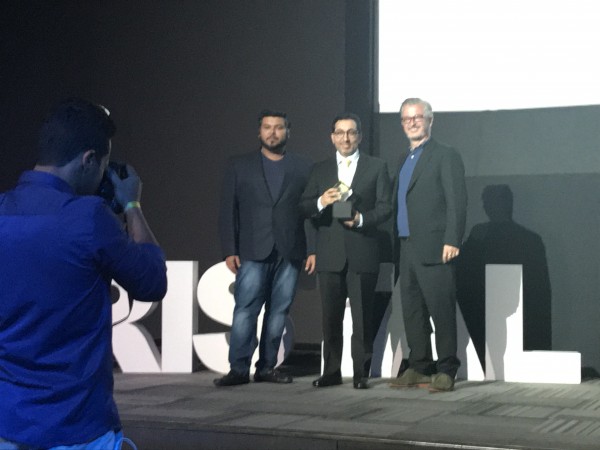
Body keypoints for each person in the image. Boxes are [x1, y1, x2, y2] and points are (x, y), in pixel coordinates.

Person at [0, 98, 168, 448]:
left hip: (9, 424)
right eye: (104, 164)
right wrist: (132, 205)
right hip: (78, 427)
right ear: (89, 159)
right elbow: (152, 282)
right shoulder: (89, 217)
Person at [214, 109, 315, 387]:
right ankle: (238, 369)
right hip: (251, 249)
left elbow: (309, 211)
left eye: (279, 127)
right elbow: (228, 210)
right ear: (259, 132)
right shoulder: (239, 165)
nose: (273, 132)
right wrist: (229, 249)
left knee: (279, 311)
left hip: (289, 249)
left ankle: (267, 367)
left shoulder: (303, 166)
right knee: (245, 310)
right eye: (267, 127)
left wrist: (312, 249)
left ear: (288, 132)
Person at [301, 113, 391, 389]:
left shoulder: (377, 167)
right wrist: (320, 201)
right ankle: (331, 371)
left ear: (360, 136)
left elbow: (386, 206)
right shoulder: (320, 169)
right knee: (330, 318)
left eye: (351, 132)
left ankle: (361, 373)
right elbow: (304, 207)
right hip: (329, 254)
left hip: (363, 252)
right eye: (340, 133)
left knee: (362, 318)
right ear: (332, 137)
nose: (346, 138)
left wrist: (362, 219)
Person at [389, 98, 467, 392]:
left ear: (430, 121)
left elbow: (457, 200)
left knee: (441, 310)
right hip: (406, 245)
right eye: (406, 118)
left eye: (417, 117)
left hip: (436, 246)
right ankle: (420, 366)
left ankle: (446, 368)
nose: (412, 122)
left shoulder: (445, 154)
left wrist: (452, 238)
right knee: (413, 310)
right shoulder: (403, 158)